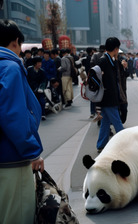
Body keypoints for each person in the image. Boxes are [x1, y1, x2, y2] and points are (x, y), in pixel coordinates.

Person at [0, 19, 44, 224]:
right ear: (16, 41)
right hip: (11, 157)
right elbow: (13, 115)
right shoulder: (10, 67)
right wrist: (32, 152)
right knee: (17, 214)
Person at [96, 37, 125, 153]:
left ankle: (101, 144)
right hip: (108, 98)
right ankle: (125, 144)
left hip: (107, 97)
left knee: (105, 122)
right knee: (117, 123)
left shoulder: (108, 59)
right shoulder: (104, 61)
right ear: (116, 48)